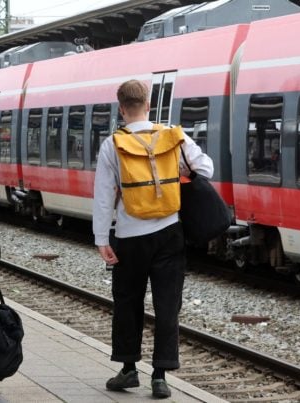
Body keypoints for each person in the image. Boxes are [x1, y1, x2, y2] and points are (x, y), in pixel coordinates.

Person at [92, 80, 213, 399]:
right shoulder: (174, 136)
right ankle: (160, 376)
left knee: (127, 302)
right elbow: (206, 168)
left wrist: (102, 239)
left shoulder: (112, 144)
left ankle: (129, 370)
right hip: (169, 234)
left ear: (121, 109)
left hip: (129, 237)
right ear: (148, 105)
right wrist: (179, 165)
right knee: (167, 304)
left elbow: (104, 197)